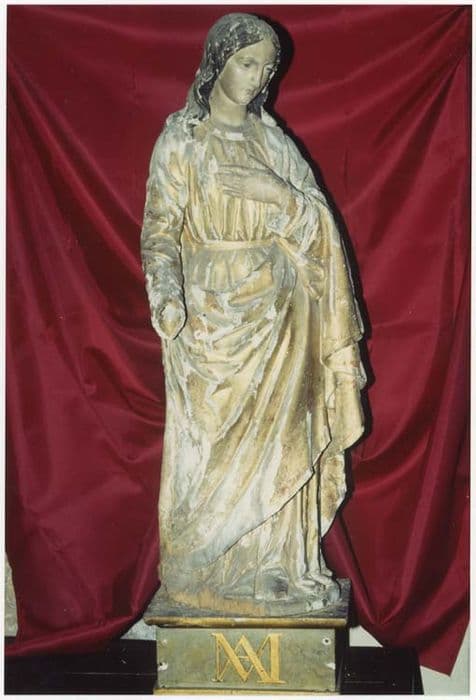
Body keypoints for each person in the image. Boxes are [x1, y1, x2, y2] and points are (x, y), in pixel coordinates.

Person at [141, 13, 366, 616]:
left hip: (282, 319)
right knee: (207, 453)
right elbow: (160, 230)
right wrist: (166, 294)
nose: (257, 77)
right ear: (217, 62)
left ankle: (276, 565)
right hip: (208, 322)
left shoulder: (274, 144)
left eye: (267, 68)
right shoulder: (182, 141)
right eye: (247, 63)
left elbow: (318, 225)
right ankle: (203, 572)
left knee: (280, 447)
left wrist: (277, 196)